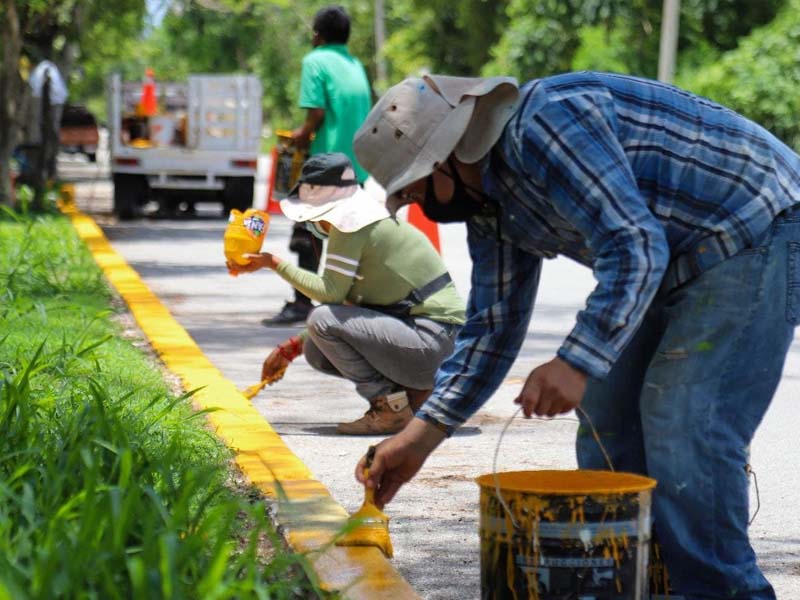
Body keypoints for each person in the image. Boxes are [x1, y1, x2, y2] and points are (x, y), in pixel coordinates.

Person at [351, 71, 800, 598]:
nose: (413, 206)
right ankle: (646, 585)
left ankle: (723, 591)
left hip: (754, 224)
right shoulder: (488, 204)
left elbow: (633, 244)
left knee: (683, 421)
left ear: (449, 154)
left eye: (413, 186)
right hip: (671, 256)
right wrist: (418, 439)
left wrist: (576, 362)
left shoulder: (546, 124)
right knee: (607, 422)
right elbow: (493, 327)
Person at [229, 153, 465, 435]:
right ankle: (411, 395)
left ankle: (391, 408)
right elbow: (351, 304)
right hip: (438, 341)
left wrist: (273, 263)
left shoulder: (351, 225)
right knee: (315, 348)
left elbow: (330, 295)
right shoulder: (366, 220)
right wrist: (292, 347)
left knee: (321, 320)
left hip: (432, 340)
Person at [263, 5, 372, 326]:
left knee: (306, 233)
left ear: (317, 35)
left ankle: (301, 303)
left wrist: (299, 137)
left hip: (326, 165)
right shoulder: (356, 65)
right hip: (357, 165)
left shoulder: (315, 61)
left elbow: (316, 116)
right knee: (349, 235)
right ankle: (352, 301)